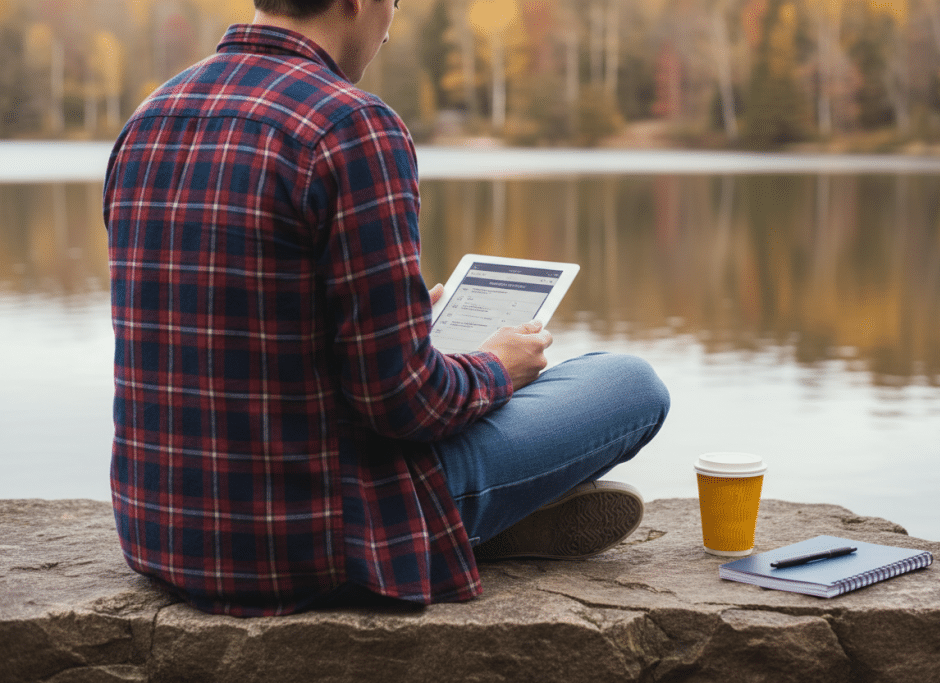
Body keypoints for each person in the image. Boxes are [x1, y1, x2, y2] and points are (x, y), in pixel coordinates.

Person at [103, 0, 670, 617]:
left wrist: (403, 326)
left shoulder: (151, 116)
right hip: (315, 543)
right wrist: (496, 366)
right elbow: (404, 402)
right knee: (628, 385)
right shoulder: (350, 125)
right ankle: (462, 532)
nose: (391, 27)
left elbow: (232, 325)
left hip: (160, 533)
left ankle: (492, 523)